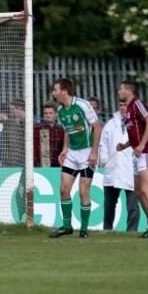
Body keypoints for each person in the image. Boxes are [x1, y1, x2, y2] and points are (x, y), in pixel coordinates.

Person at [49, 78, 102, 239]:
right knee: (64, 189)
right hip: (72, 153)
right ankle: (67, 227)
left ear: (64, 91)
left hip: (87, 153)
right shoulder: (60, 111)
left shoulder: (83, 105)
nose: (53, 93)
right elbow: (68, 131)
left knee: (83, 191)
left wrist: (94, 152)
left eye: (55, 89)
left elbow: (97, 128)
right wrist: (65, 149)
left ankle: (84, 230)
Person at [116, 80, 148, 238]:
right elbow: (136, 131)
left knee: (147, 187)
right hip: (138, 152)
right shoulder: (128, 109)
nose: (118, 91)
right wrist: (126, 145)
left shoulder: (137, 103)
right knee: (138, 190)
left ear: (129, 91)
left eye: (121, 89)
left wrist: (142, 144)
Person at [99, 100, 139, 231]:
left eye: (125, 105)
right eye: (121, 105)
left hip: (131, 168)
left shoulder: (139, 123)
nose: (123, 108)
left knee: (133, 205)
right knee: (109, 204)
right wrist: (105, 159)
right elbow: (103, 143)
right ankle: (107, 229)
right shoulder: (111, 124)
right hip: (113, 168)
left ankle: (132, 231)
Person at [34, 102, 65, 167]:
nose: (48, 115)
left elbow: (62, 147)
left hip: (57, 164)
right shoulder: (37, 128)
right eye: (46, 113)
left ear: (56, 114)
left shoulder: (60, 129)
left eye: (51, 113)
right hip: (40, 164)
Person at [2, 98, 26, 167]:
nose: (11, 111)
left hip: (28, 161)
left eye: (12, 109)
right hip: (12, 162)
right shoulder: (9, 123)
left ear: (20, 108)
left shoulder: (34, 122)